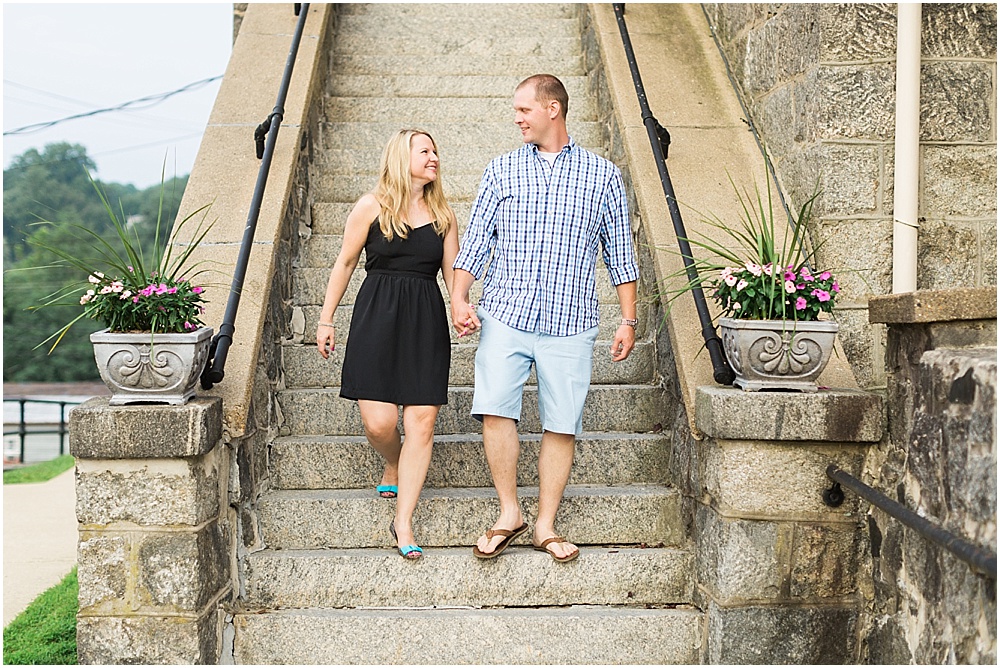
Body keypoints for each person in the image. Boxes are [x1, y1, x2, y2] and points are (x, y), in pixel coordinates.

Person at [451, 74, 639, 563]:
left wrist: (628, 320)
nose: (516, 118)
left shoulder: (602, 175)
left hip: (570, 320)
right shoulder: (501, 170)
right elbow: (476, 243)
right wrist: (459, 297)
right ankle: (509, 512)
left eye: (524, 109)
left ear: (552, 109)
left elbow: (620, 252)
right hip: (506, 313)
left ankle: (545, 525)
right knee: (495, 408)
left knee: (562, 422)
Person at [317, 129, 459, 560]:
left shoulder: (443, 215)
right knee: (379, 424)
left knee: (422, 425)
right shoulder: (371, 206)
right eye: (425, 151)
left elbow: (453, 273)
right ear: (401, 158)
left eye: (436, 151)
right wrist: (326, 319)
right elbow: (345, 262)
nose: (434, 158)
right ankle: (394, 460)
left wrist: (461, 306)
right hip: (376, 318)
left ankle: (403, 520)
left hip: (425, 323)